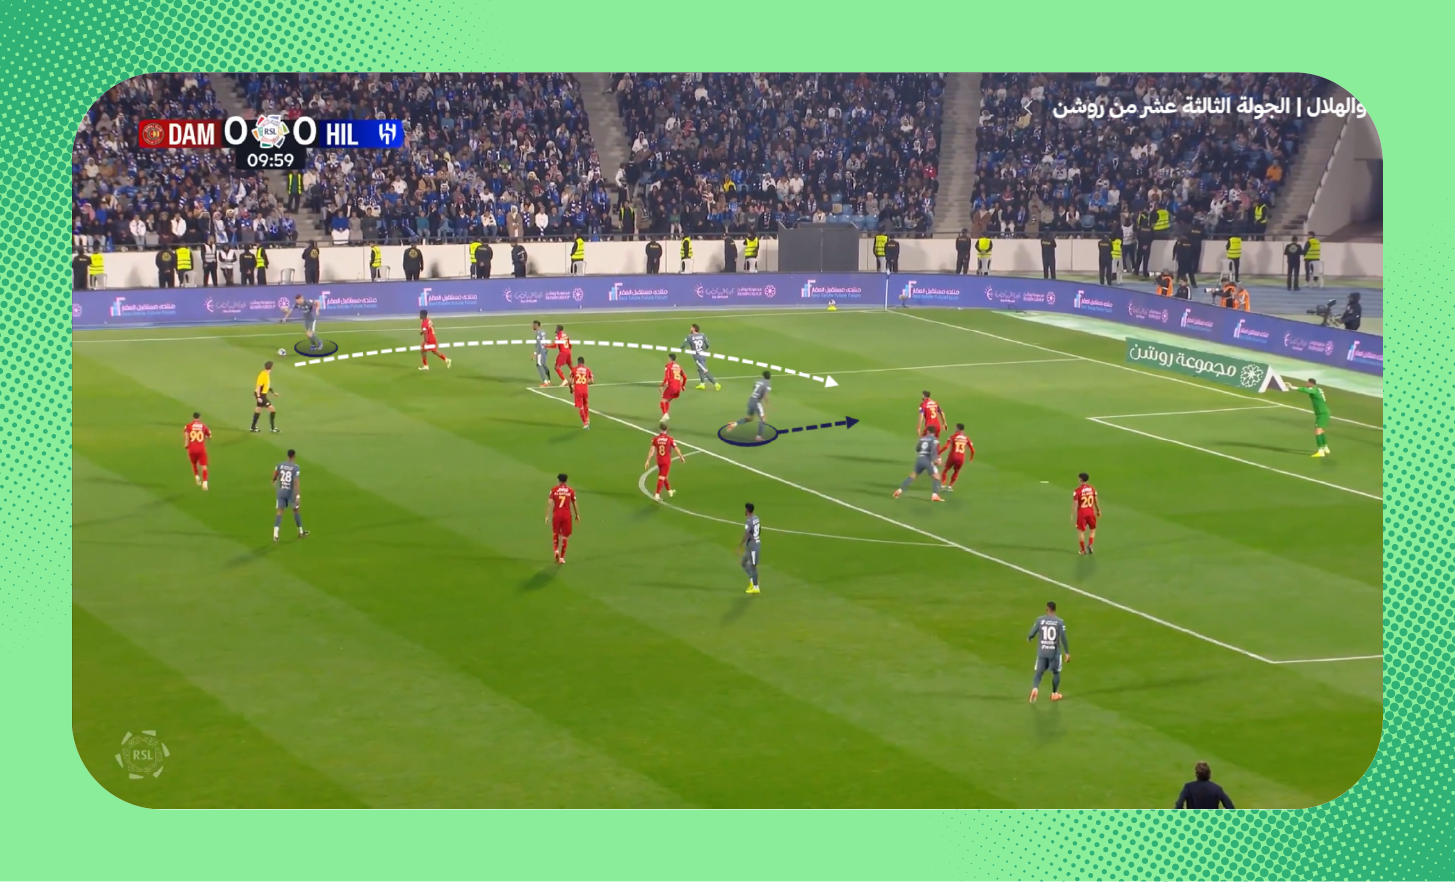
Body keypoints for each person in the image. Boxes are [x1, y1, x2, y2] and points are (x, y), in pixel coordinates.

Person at [1027, 601, 1070, 703]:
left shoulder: (1040, 620)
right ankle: (1054, 694)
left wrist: (1029, 638)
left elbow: (1032, 632)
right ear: (1055, 609)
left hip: (1042, 652)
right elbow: (1063, 638)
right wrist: (1067, 652)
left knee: (1039, 672)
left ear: (1047, 609)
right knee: (1056, 672)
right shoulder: (1059, 622)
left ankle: (1035, 688)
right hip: (1054, 653)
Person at [893, 431, 945, 502]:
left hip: (919, 459)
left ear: (928, 432)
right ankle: (935, 495)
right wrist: (936, 460)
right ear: (933, 433)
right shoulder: (934, 439)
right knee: (937, 476)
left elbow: (917, 449)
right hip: (927, 460)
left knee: (912, 476)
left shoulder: (922, 439)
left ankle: (899, 490)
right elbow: (933, 450)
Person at [1288, 378, 1332, 456]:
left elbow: (1305, 390)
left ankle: (1320, 451)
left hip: (1321, 413)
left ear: (1311, 383)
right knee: (1321, 431)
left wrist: (1292, 387)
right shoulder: (1318, 389)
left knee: (1317, 432)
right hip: (1325, 411)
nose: (1306, 384)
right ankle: (1325, 448)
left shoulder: (1313, 389)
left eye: (1307, 382)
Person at [272, 449, 308, 542]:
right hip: (290, 492)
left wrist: (274, 480)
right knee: (296, 511)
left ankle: (275, 534)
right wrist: (298, 496)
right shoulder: (295, 467)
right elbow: (296, 482)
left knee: (280, 512)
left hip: (281, 491)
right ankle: (300, 531)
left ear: (287, 456)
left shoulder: (280, 465)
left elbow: (275, 474)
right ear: (294, 456)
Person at [724, 371, 771, 442]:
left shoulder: (758, 381)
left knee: (750, 418)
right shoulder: (766, 383)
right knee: (763, 420)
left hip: (751, 400)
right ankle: (758, 437)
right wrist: (768, 403)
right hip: (756, 402)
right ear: (769, 377)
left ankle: (733, 424)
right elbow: (765, 396)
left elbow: (754, 390)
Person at [645, 421, 686, 500]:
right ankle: (657, 495)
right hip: (666, 461)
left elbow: (651, 451)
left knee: (663, 476)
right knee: (662, 477)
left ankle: (669, 490)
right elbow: (676, 448)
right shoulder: (670, 439)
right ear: (667, 429)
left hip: (659, 460)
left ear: (660, 429)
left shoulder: (655, 439)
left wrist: (648, 460)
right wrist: (681, 457)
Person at [546, 473, 580, 564]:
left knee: (555, 533)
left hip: (557, 513)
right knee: (565, 536)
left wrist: (547, 515)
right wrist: (577, 515)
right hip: (566, 514)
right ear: (566, 480)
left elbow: (549, 502)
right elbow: (574, 503)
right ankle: (562, 558)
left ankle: (556, 550)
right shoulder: (570, 490)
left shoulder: (554, 489)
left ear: (559, 480)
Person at [936, 423, 974, 491]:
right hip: (961, 458)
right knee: (956, 472)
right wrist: (971, 457)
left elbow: (946, 447)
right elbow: (972, 450)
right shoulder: (966, 438)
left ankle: (943, 484)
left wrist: (939, 453)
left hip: (953, 456)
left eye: (955, 427)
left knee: (945, 470)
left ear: (957, 428)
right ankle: (950, 486)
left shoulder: (952, 437)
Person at [684, 323, 720, 390]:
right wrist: (704, 350)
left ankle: (716, 384)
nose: (690, 329)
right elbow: (708, 345)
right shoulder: (702, 335)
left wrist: (678, 349)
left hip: (697, 356)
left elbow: (683, 345)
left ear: (694, 329)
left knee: (704, 370)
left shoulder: (690, 337)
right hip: (703, 355)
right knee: (700, 369)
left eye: (691, 328)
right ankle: (702, 384)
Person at [183, 411, 211, 490]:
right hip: (201, 449)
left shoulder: (188, 426)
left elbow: (186, 435)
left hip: (192, 449)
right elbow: (209, 436)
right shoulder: (203, 426)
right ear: (200, 417)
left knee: (194, 464)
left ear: (193, 417)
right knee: (204, 466)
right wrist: (205, 437)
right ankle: (205, 483)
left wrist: (186, 444)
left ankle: (197, 476)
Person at [1073, 472, 1100, 554]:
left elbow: (1075, 504)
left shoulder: (1077, 491)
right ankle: (1090, 544)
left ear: (1081, 479)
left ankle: (1082, 550)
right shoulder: (1092, 488)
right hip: (1091, 512)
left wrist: (1073, 514)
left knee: (1081, 531)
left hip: (1082, 513)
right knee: (1093, 529)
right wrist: (1098, 510)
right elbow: (1095, 500)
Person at [739, 503, 762, 595]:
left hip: (753, 546)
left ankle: (756, 587)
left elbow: (746, 534)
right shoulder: (756, 518)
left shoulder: (749, 521)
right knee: (743, 563)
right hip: (752, 545)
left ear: (747, 510)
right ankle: (752, 579)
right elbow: (760, 529)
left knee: (753, 566)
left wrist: (740, 545)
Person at [251, 361, 279, 433]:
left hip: (261, 395)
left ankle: (253, 427)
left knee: (258, 409)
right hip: (261, 395)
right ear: (271, 367)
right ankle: (273, 428)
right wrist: (258, 397)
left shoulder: (266, 374)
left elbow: (266, 386)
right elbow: (258, 386)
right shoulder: (263, 375)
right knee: (272, 409)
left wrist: (273, 393)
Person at [659, 353, 687, 420]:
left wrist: (661, 386)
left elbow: (666, 377)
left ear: (670, 358)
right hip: (678, 388)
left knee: (662, 401)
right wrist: (683, 386)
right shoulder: (679, 367)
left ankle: (665, 414)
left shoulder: (668, 366)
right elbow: (685, 377)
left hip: (672, 387)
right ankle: (665, 415)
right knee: (667, 401)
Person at [570, 357, 594, 428]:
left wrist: (571, 388)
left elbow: (570, 381)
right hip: (585, 390)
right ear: (583, 362)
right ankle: (587, 419)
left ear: (578, 362)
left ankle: (585, 423)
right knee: (585, 404)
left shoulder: (574, 369)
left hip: (578, 391)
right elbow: (592, 381)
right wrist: (586, 382)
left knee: (580, 407)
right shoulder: (587, 369)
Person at [531, 320, 553, 386]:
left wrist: (535, 353)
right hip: (545, 350)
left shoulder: (538, 334)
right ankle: (549, 380)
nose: (532, 326)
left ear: (536, 325)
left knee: (538, 365)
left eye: (533, 325)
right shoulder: (543, 332)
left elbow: (539, 344)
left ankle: (545, 381)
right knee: (544, 365)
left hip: (540, 351)